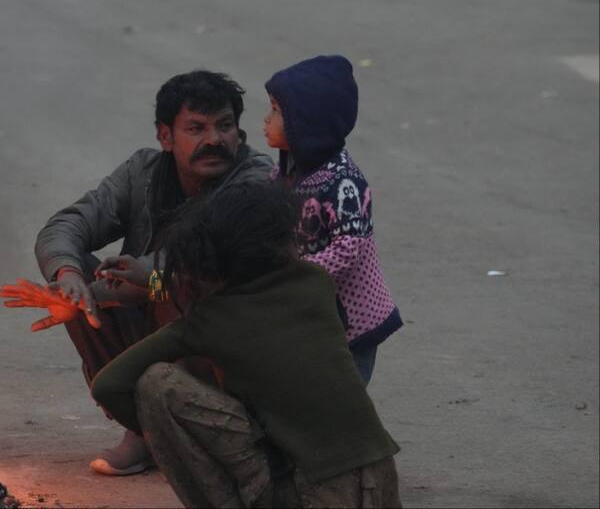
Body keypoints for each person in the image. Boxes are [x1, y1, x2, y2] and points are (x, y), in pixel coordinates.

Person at [91, 181, 402, 508]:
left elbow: (108, 385)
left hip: (312, 494)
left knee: (157, 383)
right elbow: (241, 299)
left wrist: (166, 438)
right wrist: (153, 282)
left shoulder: (207, 320)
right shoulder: (316, 281)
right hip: (380, 482)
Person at [28, 70, 274, 475]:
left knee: (168, 288)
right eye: (195, 128)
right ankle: (141, 429)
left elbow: (202, 267)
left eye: (225, 126)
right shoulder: (143, 172)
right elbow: (65, 226)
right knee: (76, 297)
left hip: (230, 332)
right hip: (159, 303)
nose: (213, 139)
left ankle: (213, 434)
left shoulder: (254, 181)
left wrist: (138, 284)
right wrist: (70, 278)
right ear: (165, 136)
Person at [262, 55, 401, 384]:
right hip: (311, 311)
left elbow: (347, 248)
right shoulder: (282, 175)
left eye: (276, 111)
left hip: (352, 321)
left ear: (304, 123)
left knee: (344, 396)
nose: (265, 120)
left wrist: (289, 274)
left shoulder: (341, 182)